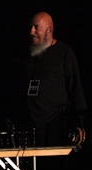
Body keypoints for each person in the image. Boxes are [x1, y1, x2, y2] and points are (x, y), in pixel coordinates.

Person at [25, 11, 86, 148]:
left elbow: (76, 89)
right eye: (31, 27)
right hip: (29, 127)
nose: (31, 31)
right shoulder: (28, 55)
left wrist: (79, 123)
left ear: (49, 30)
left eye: (36, 27)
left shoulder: (65, 53)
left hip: (56, 125)